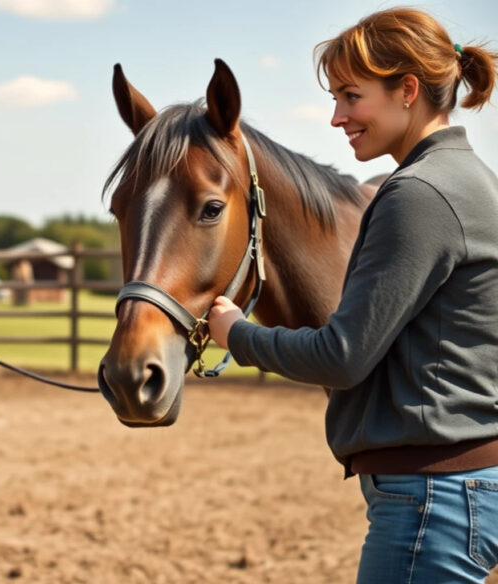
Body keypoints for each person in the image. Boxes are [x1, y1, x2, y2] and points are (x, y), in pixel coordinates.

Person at [207, 8, 498, 583]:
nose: (337, 116)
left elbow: (343, 356)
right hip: (459, 486)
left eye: (351, 96)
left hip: (430, 499)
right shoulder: (471, 179)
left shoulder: (418, 194)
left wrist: (237, 333)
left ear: (407, 89)